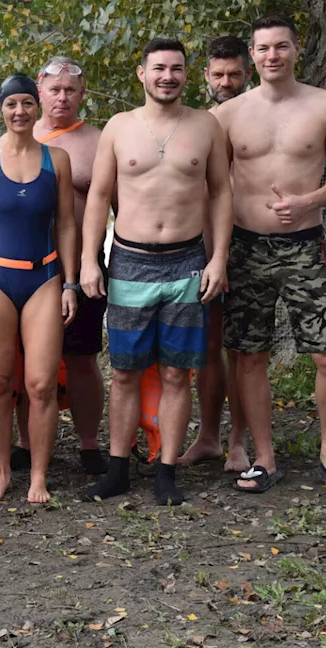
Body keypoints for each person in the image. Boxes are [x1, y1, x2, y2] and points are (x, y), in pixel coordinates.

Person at [213, 16, 326, 496]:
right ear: (251, 56)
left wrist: (306, 201)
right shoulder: (227, 115)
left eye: (281, 46)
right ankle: (263, 457)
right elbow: (211, 186)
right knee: (247, 356)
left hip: (304, 246)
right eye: (263, 48)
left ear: (296, 50)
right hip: (245, 247)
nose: (272, 55)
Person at [79, 38, 232, 506]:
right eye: (159, 68)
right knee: (125, 372)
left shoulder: (205, 126)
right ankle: (119, 468)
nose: (169, 76)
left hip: (187, 262)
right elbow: (98, 197)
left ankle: (166, 470)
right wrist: (90, 259)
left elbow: (222, 193)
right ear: (141, 73)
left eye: (178, 69)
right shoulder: (119, 128)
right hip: (129, 261)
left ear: (189, 75)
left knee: (175, 373)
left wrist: (218, 258)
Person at [0, 73, 79, 504]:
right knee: (1, 381)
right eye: (12, 104)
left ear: (36, 107)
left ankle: (39, 476)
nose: (20, 111)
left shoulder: (56, 159)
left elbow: (66, 224)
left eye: (27, 103)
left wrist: (71, 283)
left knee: (41, 383)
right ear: (1, 109)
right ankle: (3, 472)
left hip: (44, 277)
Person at [20, 56, 108, 477]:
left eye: (70, 90)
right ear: (40, 91)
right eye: (54, 90)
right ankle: (26, 441)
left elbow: (125, 206)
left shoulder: (98, 142)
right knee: (25, 360)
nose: (62, 98)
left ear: (82, 93)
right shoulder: (19, 134)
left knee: (82, 357)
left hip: (82, 264)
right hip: (24, 265)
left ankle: (89, 443)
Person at [178, 36, 251, 472]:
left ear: (248, 74)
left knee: (242, 348)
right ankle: (207, 436)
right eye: (218, 74)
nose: (226, 82)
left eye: (235, 74)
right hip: (202, 248)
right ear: (204, 76)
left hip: (249, 244)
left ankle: (239, 441)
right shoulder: (195, 123)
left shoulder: (258, 118)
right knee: (205, 346)